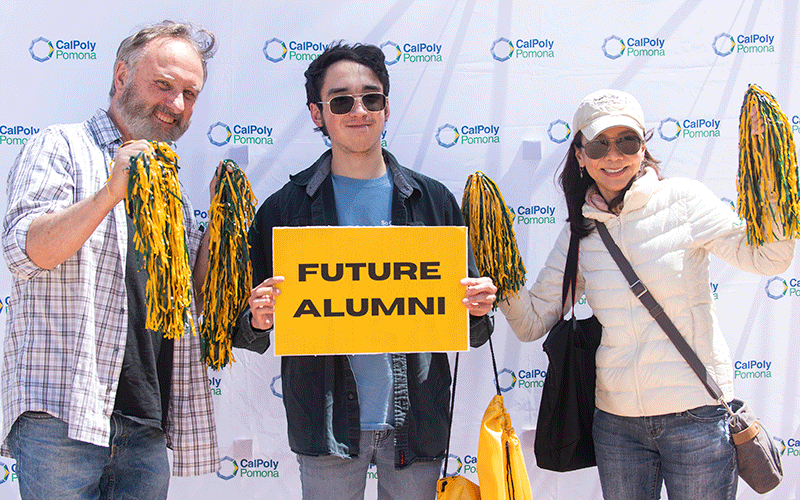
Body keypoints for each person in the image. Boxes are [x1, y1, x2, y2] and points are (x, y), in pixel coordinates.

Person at [498, 89, 795, 500]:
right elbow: (532, 322)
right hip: (617, 424)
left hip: (697, 416)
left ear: (643, 147)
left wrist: (769, 170)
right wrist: (496, 270)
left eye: (627, 142)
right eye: (600, 144)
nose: (613, 156)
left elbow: (769, 258)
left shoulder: (684, 201)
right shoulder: (580, 232)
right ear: (580, 155)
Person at [233, 42, 497, 500]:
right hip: (327, 425)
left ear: (386, 107)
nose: (359, 110)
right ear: (318, 114)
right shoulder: (285, 208)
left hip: (415, 422)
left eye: (371, 98)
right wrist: (257, 318)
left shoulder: (432, 201)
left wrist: (476, 308)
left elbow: (474, 331)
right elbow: (242, 329)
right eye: (341, 101)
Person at [2, 21, 222, 500]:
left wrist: (217, 235)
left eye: (189, 92)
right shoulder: (60, 145)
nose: (177, 105)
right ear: (121, 76)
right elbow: (24, 251)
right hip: (62, 414)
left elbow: (188, 301)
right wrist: (109, 192)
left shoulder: (171, 186)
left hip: (145, 422)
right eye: (163, 85)